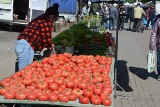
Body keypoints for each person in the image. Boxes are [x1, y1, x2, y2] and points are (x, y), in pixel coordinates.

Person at [15, 7, 59, 71]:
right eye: (54, 19)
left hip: (23, 43)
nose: (53, 21)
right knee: (24, 72)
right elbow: (46, 39)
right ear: (52, 16)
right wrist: (51, 46)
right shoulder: (46, 21)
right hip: (27, 46)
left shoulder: (39, 19)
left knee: (24, 71)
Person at [149, 16, 160, 80]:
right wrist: (152, 44)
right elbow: (154, 33)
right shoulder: (158, 21)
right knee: (159, 61)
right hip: (159, 45)